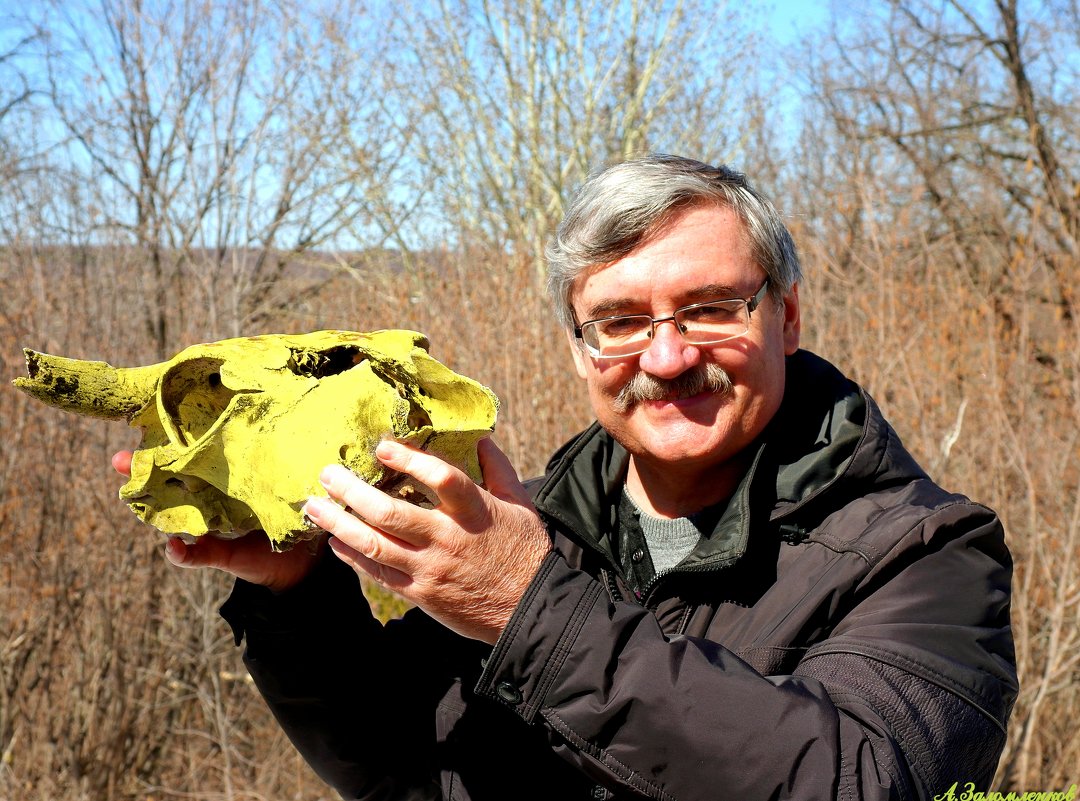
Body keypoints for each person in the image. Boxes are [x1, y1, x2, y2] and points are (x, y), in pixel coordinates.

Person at [114, 154, 1017, 800]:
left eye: (708, 308)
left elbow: (863, 779)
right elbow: (407, 766)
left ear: (785, 318)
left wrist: (526, 606)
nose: (665, 356)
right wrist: (298, 592)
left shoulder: (926, 550)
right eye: (619, 320)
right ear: (581, 350)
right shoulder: (538, 521)